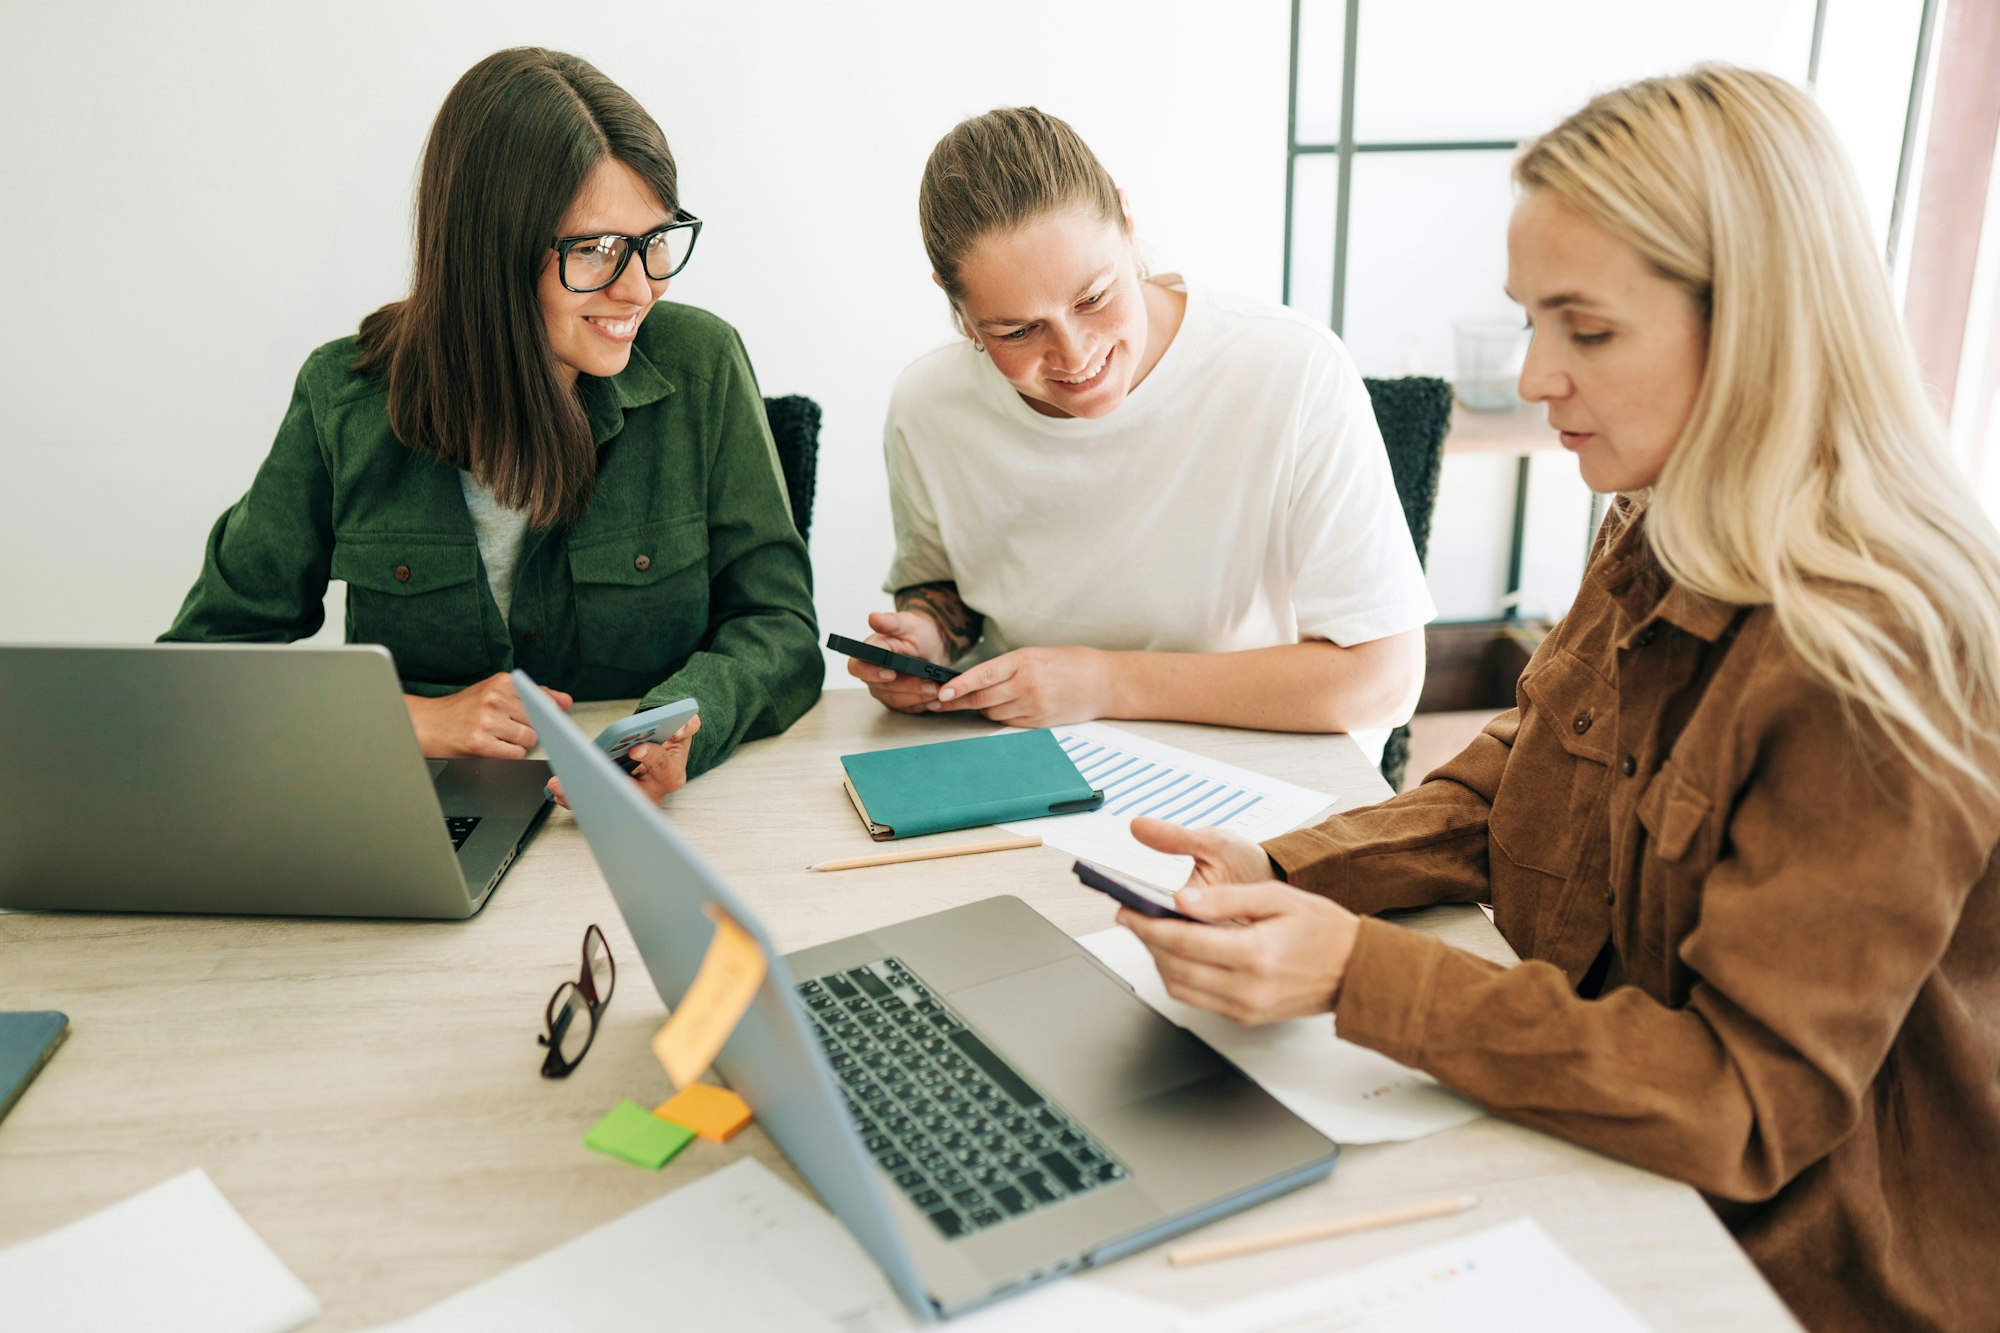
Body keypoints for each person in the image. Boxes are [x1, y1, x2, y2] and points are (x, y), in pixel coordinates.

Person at [1116, 66, 2000, 1332]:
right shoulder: (1660, 518)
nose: (1533, 379)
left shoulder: (1878, 649)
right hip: (1610, 1153)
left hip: (1800, 1269)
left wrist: (1358, 974)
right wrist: (1285, 871)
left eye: (1583, 330)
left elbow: (1742, 1103)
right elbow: (1523, 773)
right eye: (1529, 321)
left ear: (1753, 323)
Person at [161, 48, 821, 801]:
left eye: (654, 241)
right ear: (493, 256)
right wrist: (407, 719)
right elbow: (202, 665)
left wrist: (676, 730)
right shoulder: (340, 401)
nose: (640, 288)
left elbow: (780, 630)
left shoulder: (703, 364)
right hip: (419, 817)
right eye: (600, 249)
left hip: (632, 827)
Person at [852, 107, 1432, 758]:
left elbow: (1385, 679)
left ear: (1129, 226)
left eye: (1094, 297)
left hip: (1258, 758)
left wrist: (1104, 681)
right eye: (1017, 331)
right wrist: (926, 638)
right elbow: (943, 587)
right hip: (1029, 755)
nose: (1074, 356)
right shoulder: (929, 407)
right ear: (957, 308)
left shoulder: (1290, 369)